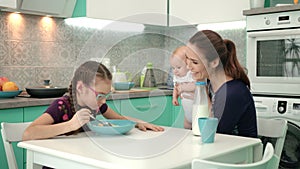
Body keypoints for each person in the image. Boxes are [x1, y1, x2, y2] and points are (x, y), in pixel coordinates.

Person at [23, 61, 164, 141]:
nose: (103, 101)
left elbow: (120, 119)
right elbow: (28, 134)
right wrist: (70, 125)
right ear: (80, 87)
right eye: (100, 95)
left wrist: (138, 122)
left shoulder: (96, 106)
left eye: (106, 96)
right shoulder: (61, 106)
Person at [185, 30, 257, 138]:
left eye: (195, 62)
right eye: (187, 58)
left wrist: (201, 92)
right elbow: (191, 127)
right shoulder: (209, 85)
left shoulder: (233, 93)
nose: (188, 67)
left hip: (240, 152)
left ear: (214, 62)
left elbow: (210, 134)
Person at [169, 46, 196, 129]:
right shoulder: (177, 77)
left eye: (178, 67)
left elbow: (196, 86)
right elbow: (176, 88)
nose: (175, 71)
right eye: (173, 68)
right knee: (186, 128)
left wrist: (183, 88)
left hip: (196, 112)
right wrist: (174, 98)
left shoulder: (191, 74)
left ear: (188, 64)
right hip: (187, 114)